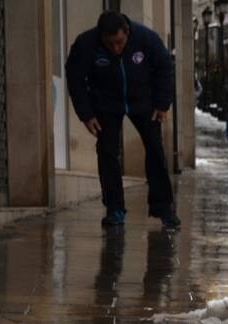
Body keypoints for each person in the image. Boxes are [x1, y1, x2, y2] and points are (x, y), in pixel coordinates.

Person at [65, 11, 179, 229]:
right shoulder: (86, 44)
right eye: (109, 44)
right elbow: (74, 77)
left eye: (119, 42)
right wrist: (86, 114)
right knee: (107, 151)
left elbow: (165, 67)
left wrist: (162, 104)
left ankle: (163, 207)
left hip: (143, 100)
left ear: (127, 33)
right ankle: (114, 209)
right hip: (106, 103)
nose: (115, 48)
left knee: (155, 147)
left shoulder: (146, 39)